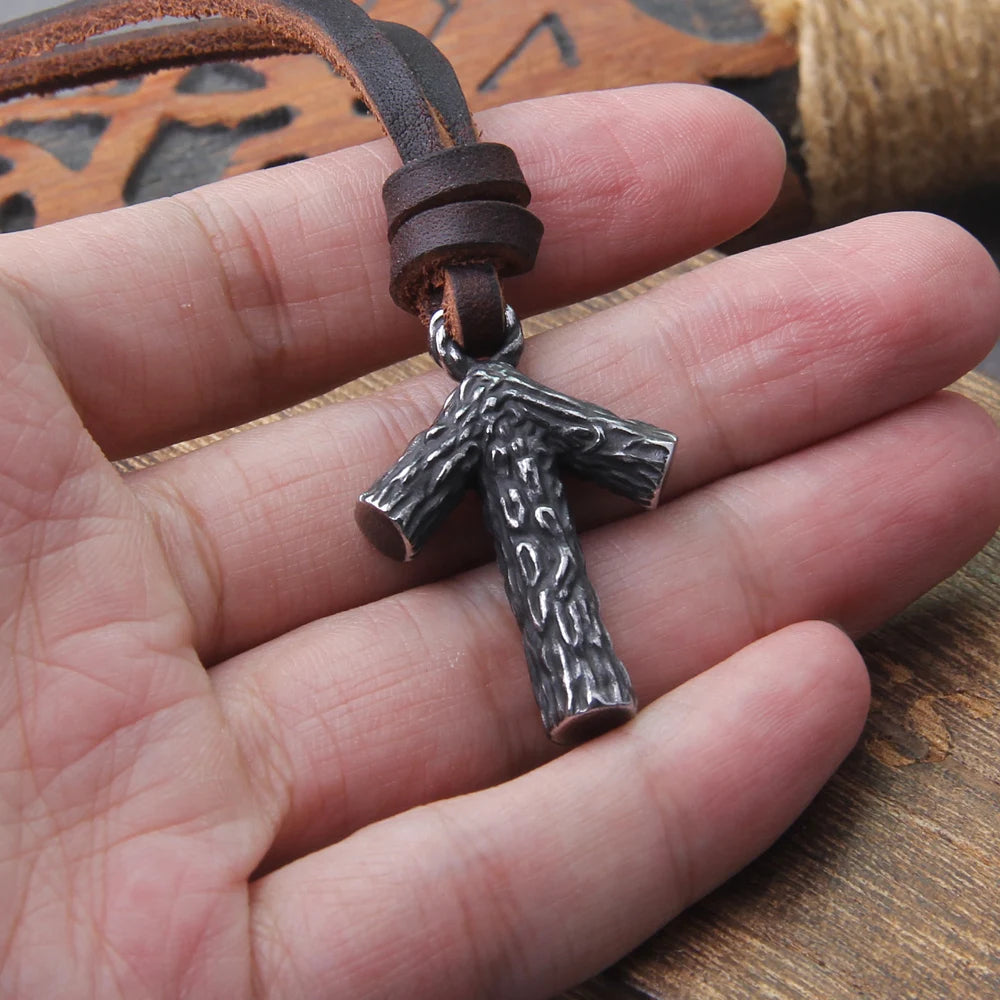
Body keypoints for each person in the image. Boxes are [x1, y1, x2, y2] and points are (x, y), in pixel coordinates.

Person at [1, 84, 997, 999]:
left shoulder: (495, 402)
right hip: (543, 562)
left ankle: (581, 690)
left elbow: (601, 463)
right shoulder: (500, 401)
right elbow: (587, 466)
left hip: (545, 558)